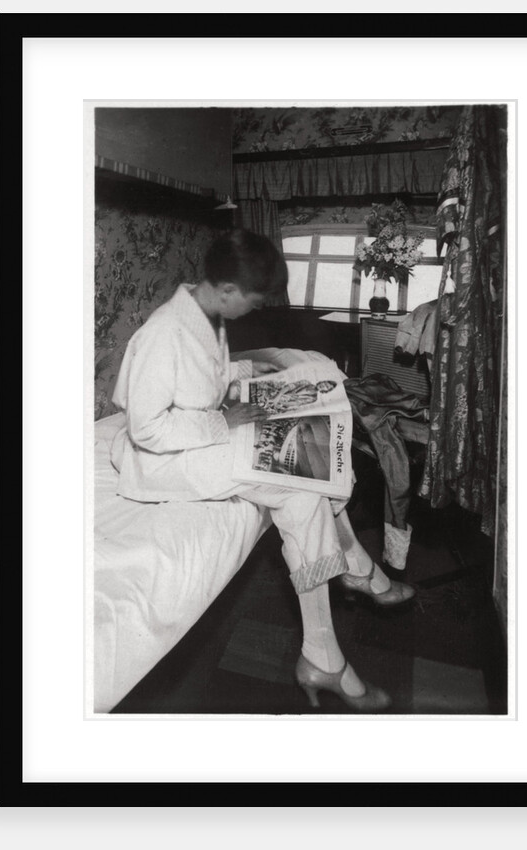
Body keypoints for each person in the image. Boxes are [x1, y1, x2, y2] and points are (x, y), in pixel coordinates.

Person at [110, 228, 415, 712]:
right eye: (252, 301)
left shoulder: (209, 316)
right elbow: (146, 428)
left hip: (198, 439)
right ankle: (351, 576)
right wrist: (222, 421)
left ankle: (324, 651)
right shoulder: (162, 334)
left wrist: (248, 374)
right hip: (161, 461)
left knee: (303, 485)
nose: (254, 311)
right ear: (227, 290)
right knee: (300, 481)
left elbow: (202, 375)